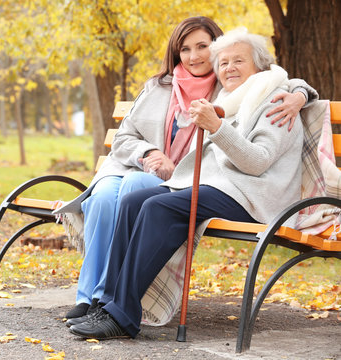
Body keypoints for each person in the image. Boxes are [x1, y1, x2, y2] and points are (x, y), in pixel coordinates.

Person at [54, 16, 316, 323]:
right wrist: (152, 153)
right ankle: (102, 302)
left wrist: (296, 96)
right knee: (129, 201)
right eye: (225, 61)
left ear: (259, 67)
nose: (228, 67)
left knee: (156, 206)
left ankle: (120, 315)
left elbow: (257, 160)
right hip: (216, 185)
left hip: (252, 195)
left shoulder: (271, 98)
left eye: (237, 61)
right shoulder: (231, 96)